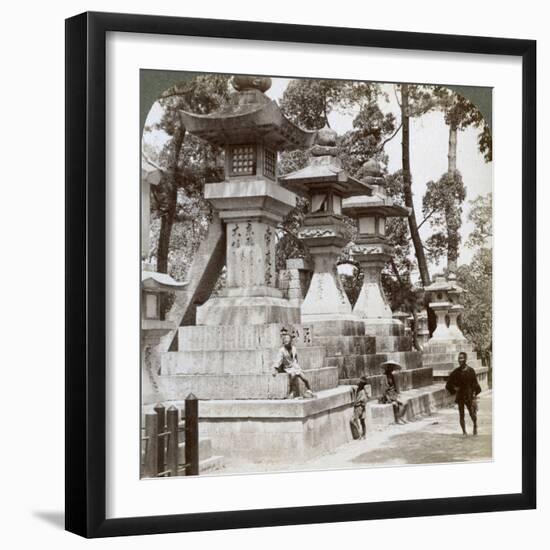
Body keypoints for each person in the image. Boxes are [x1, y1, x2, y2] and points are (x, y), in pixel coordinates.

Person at [272, 328, 315, 399]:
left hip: (296, 366)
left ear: (290, 341)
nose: (286, 341)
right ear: (283, 342)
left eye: (288, 340)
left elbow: (296, 358)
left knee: (305, 378)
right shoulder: (282, 350)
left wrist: (297, 366)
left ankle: (309, 390)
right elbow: (278, 360)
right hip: (288, 367)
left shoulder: (294, 348)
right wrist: (275, 369)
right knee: (293, 376)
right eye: (285, 341)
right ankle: (291, 391)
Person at [446, 351, 482, 436]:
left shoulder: (471, 371)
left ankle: (475, 425)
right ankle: (464, 432)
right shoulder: (455, 372)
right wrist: (455, 388)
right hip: (460, 396)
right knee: (461, 415)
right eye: (459, 358)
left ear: (465, 359)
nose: (460, 360)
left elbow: (475, 384)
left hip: (469, 395)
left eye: (461, 358)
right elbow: (448, 384)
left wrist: (474, 396)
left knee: (472, 413)